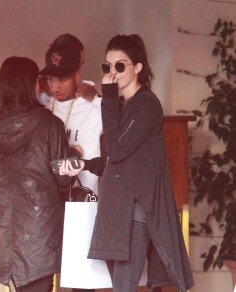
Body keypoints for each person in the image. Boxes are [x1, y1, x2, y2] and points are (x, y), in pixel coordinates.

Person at [60, 34, 194, 292]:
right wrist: (85, 165)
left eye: (120, 66)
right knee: (121, 285)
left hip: (134, 211)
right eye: (107, 67)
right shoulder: (122, 105)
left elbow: (118, 150)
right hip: (117, 210)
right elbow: (114, 158)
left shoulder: (146, 104)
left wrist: (107, 99)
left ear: (138, 67)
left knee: (123, 287)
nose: (113, 73)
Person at [0, 56, 73, 292]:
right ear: (29, 84)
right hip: (40, 230)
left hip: (2, 229)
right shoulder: (50, 124)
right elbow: (63, 177)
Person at [39, 45, 103, 292]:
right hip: (47, 203)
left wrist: (97, 97)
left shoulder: (92, 106)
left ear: (77, 74)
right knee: (45, 275)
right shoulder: (43, 103)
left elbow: (124, 117)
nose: (55, 86)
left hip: (81, 203)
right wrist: (35, 88)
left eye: (62, 79)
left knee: (82, 281)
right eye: (50, 79)